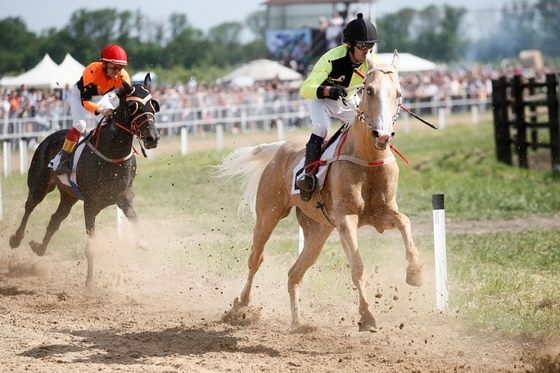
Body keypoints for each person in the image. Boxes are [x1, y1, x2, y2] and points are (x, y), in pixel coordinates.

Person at [297, 13, 380, 201]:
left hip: (347, 100)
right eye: (361, 46)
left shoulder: (373, 60)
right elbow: (305, 88)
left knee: (368, 125)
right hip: (321, 99)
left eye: (370, 46)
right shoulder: (330, 58)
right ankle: (308, 177)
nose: (366, 51)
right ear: (349, 45)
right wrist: (329, 91)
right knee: (321, 128)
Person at [54, 44, 131, 174]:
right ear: (104, 64)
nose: (117, 71)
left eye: (120, 67)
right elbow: (86, 102)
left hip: (101, 97)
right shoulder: (92, 70)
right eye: (113, 67)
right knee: (81, 125)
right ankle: (64, 158)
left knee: (112, 123)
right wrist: (102, 110)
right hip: (80, 97)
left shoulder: (123, 77)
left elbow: (126, 99)